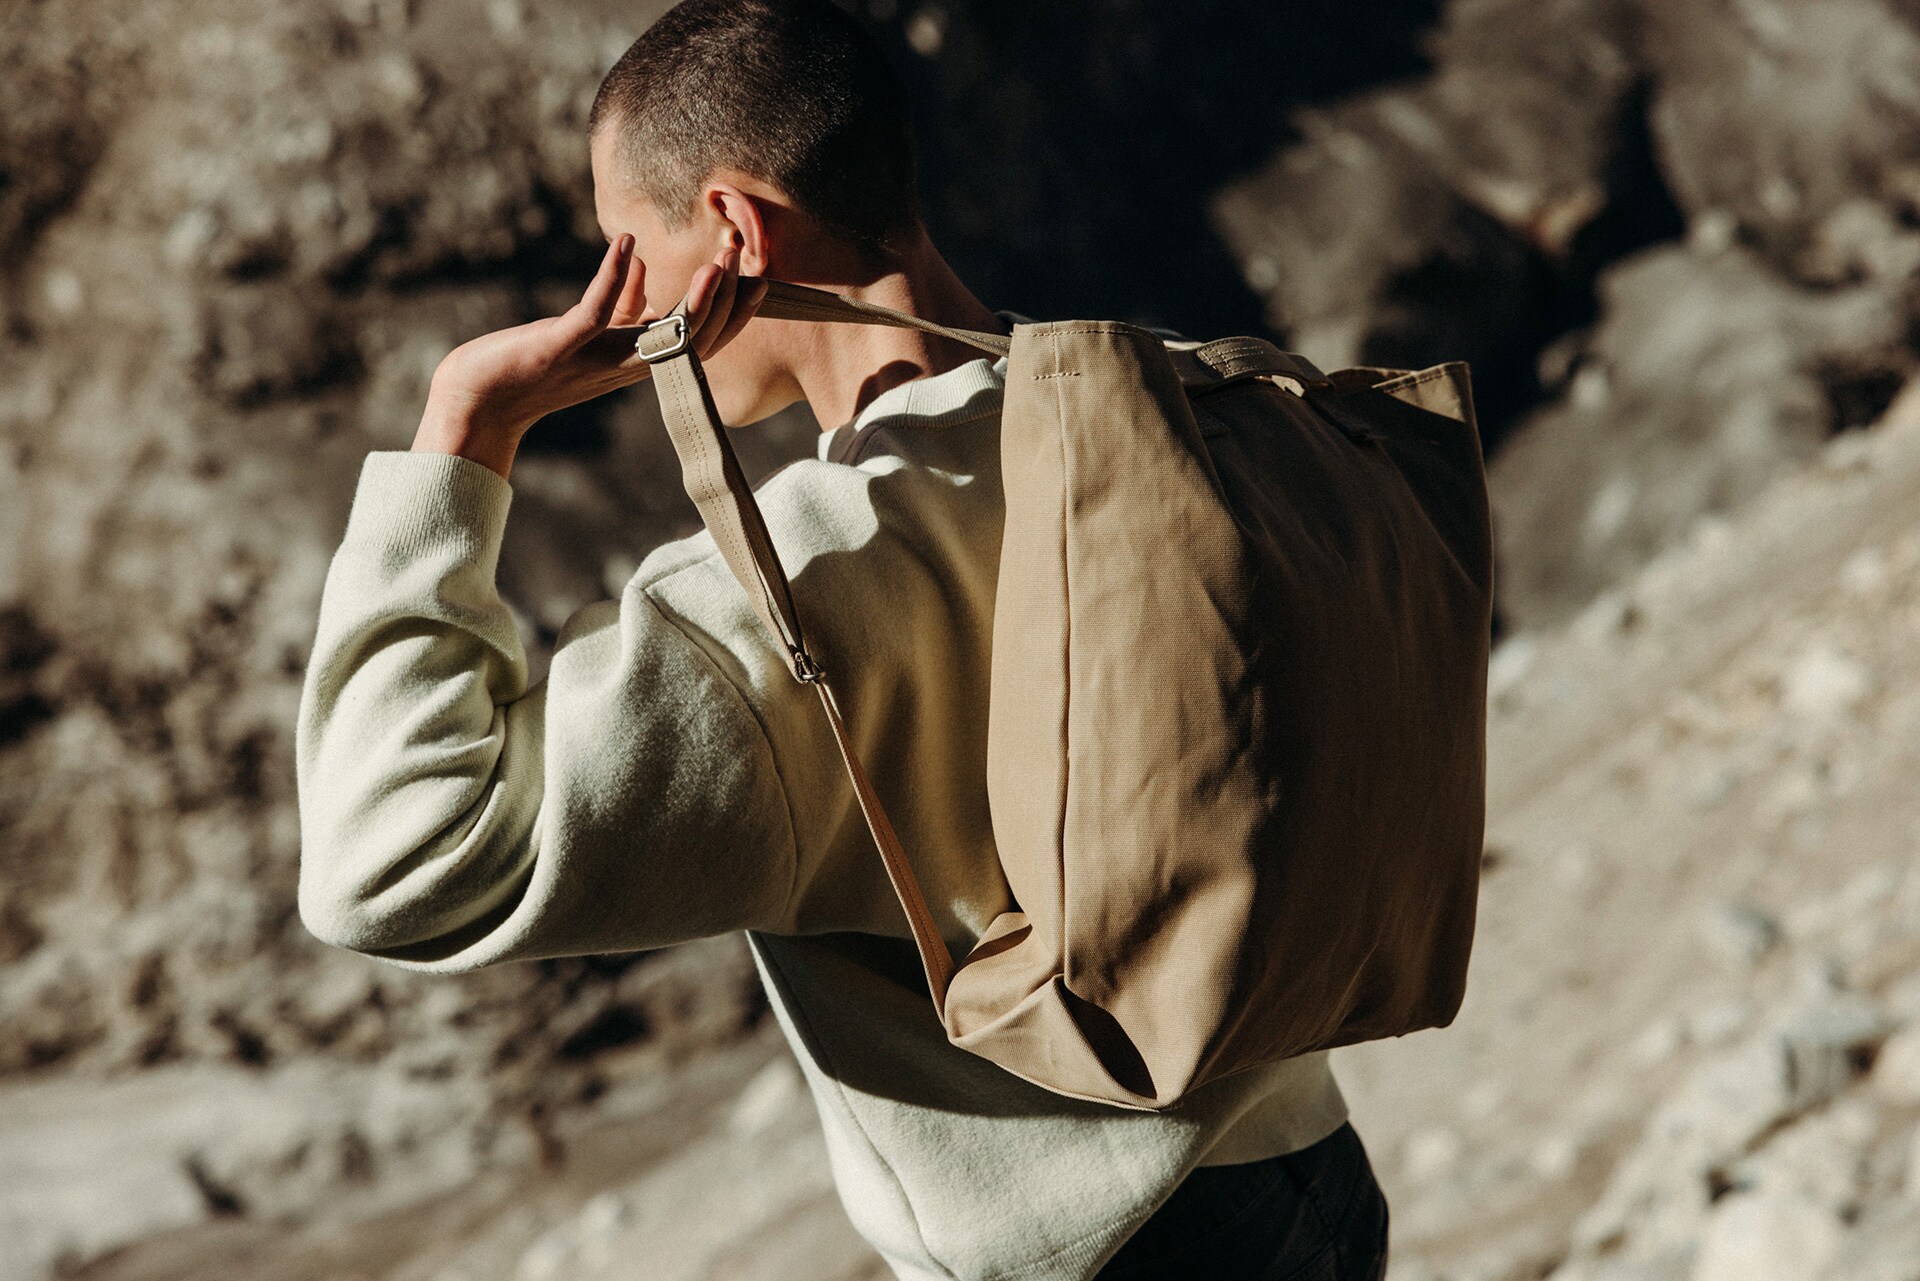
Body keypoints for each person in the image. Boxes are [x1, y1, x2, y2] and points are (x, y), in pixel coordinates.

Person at [294, 1, 1388, 1277]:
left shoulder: (790, 590)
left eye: (624, 245)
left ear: (735, 230)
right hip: (1311, 1171)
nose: (616, 291)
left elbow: (385, 864)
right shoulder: (1177, 410)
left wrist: (466, 424)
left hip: (1110, 1245)